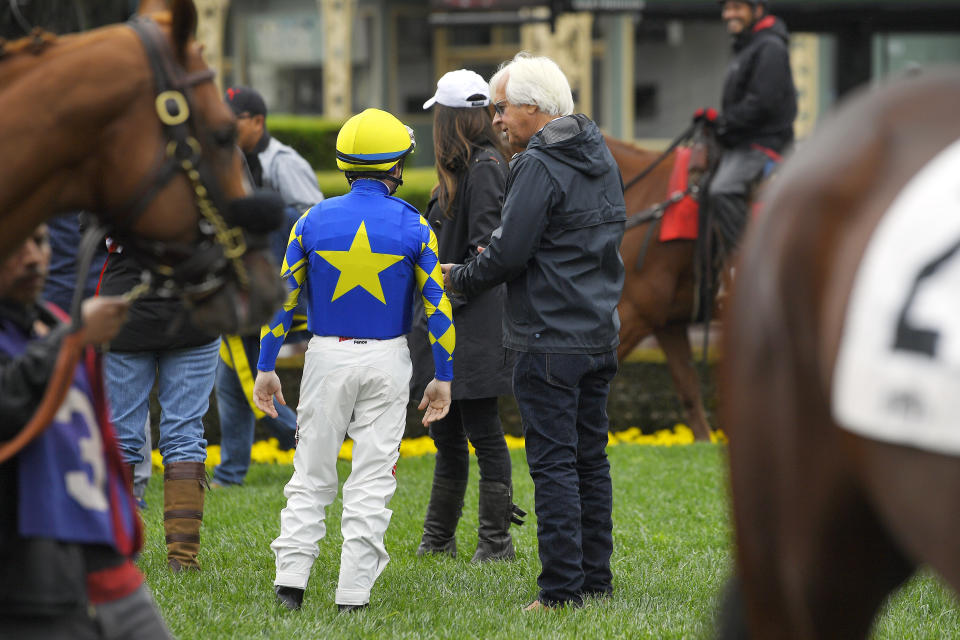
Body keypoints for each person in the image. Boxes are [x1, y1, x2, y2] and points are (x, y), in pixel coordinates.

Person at [441, 53, 626, 610]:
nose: (495, 119)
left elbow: (509, 251)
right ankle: (595, 581)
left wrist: (461, 277)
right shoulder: (599, 152)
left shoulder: (538, 164)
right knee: (590, 460)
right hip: (597, 335)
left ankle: (560, 592)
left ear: (533, 107)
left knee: (553, 466)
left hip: (547, 341)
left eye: (501, 108)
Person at [253, 108, 455, 613]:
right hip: (389, 361)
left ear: (345, 166)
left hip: (326, 358)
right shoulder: (416, 226)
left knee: (311, 473)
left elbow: (282, 300)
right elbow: (438, 307)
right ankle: (353, 597)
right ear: (397, 167)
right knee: (372, 479)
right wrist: (443, 378)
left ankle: (290, 588)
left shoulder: (311, 220)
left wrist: (265, 366)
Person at [0, 224, 172, 639]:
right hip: (28, 580)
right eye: (12, 245)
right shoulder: (65, 331)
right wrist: (71, 338)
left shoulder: (53, 321)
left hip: (104, 562)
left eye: (39, 241)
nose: (33, 258)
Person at [416, 69, 523, 563]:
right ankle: (438, 541)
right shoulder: (467, 170)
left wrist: (443, 291)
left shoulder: (484, 168)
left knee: (482, 432)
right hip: (449, 326)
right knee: (448, 438)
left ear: (448, 120)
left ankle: (495, 544)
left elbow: (486, 254)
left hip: (473, 328)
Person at [211, 86, 325, 488]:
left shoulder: (283, 162)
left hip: (271, 296)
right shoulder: (227, 158)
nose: (224, 124)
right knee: (231, 386)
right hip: (242, 291)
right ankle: (229, 473)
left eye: (233, 118)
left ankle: (313, 453)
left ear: (256, 121)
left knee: (253, 386)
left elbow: (313, 222)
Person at [99, 240, 221, 572]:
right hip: (195, 310)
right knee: (185, 434)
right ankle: (182, 559)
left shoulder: (115, 187)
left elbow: (91, 232)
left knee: (120, 438)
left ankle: (118, 554)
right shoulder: (207, 186)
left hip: (126, 311)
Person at [701, 0, 797, 254]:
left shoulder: (770, 47)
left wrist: (723, 121)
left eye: (737, 8)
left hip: (763, 145)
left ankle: (744, 263)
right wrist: (718, 122)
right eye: (727, 8)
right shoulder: (750, 46)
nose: (729, 14)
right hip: (743, 142)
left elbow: (762, 104)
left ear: (757, 10)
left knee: (723, 189)